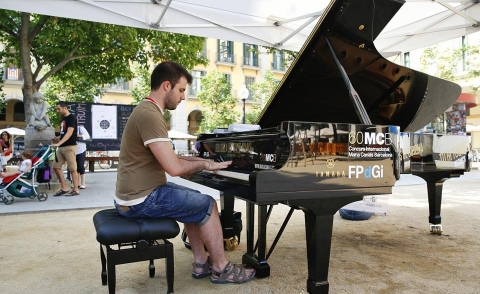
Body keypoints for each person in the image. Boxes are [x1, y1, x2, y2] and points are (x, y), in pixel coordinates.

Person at [115, 61, 255, 284]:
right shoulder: (150, 115)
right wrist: (206, 165)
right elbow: (175, 168)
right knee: (208, 205)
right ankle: (221, 268)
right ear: (166, 86)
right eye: (181, 90)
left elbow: (173, 158)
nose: (182, 97)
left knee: (194, 203)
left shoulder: (147, 110)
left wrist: (203, 160)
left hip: (135, 194)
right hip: (141, 199)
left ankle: (201, 263)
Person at [52, 101, 80, 196]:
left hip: (70, 146)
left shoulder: (71, 117)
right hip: (61, 147)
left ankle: (76, 189)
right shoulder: (63, 119)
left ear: (65, 108)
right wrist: (58, 138)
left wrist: (59, 143)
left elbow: (69, 133)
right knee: (56, 166)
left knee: (72, 168)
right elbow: (63, 133)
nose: (57, 111)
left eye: (59, 109)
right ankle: (64, 187)